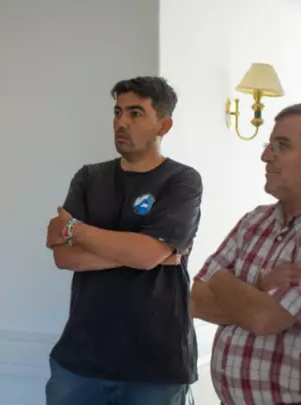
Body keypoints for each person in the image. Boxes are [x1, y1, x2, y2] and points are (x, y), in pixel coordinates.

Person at [45, 76, 202, 405]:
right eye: (118, 112)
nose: (122, 122)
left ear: (164, 125)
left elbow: (145, 255)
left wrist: (76, 230)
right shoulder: (89, 177)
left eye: (136, 113)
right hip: (79, 362)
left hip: (156, 366)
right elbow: (64, 257)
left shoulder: (181, 180)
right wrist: (149, 253)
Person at [191, 102, 301, 405]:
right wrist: (259, 288)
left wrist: (221, 278)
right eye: (268, 145)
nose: (265, 156)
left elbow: (263, 318)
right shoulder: (254, 221)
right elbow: (195, 300)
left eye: (282, 145)